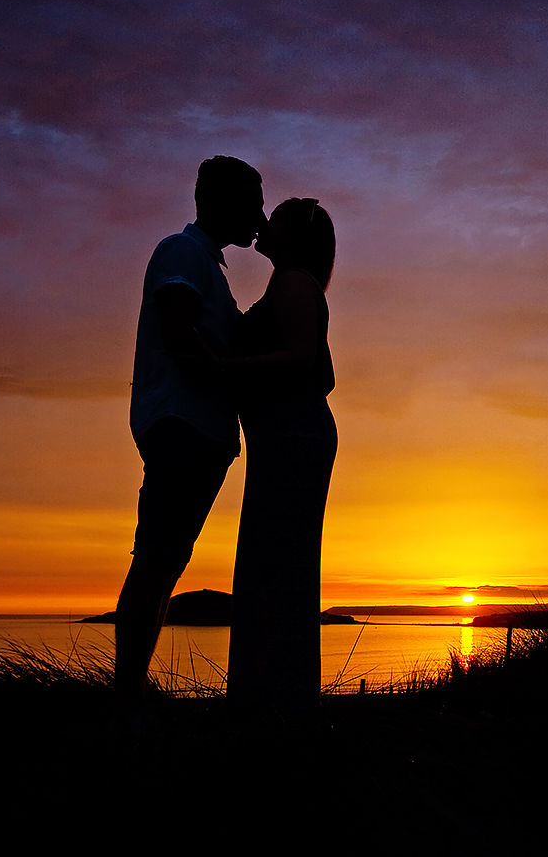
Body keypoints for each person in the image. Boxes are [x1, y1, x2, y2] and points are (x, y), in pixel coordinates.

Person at [115, 155, 266, 713]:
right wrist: (231, 375)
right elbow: (179, 336)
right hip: (180, 425)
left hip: (200, 432)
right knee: (156, 560)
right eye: (253, 203)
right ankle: (125, 699)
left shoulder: (208, 264)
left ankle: (130, 696)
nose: (260, 214)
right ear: (222, 203)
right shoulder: (182, 252)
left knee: (166, 562)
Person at [225, 196, 338, 715]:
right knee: (278, 566)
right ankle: (278, 701)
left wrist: (216, 365)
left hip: (291, 438)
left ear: (291, 237)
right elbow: (324, 375)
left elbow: (300, 360)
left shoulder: (293, 282)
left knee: (276, 567)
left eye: (276, 217)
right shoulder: (296, 285)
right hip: (289, 437)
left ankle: (274, 708)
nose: (263, 221)